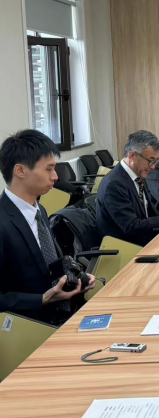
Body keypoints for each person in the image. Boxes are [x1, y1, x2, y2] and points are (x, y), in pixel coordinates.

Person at [0, 129, 96, 325]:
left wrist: (76, 278)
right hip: (28, 325)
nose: (55, 177)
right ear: (20, 171)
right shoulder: (3, 221)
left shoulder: (39, 210)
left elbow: (46, 264)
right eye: (49, 169)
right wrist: (43, 299)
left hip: (61, 313)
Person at [96, 130, 159, 246]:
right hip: (127, 247)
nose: (153, 167)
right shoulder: (114, 184)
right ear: (132, 156)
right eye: (151, 161)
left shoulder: (137, 175)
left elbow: (149, 215)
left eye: (156, 161)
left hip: (145, 239)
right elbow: (131, 226)